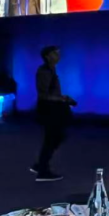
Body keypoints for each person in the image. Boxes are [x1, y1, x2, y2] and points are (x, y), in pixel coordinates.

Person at [33, 45, 76, 182]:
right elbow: (44, 95)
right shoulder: (44, 71)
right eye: (55, 53)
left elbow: (50, 93)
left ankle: (41, 165)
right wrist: (63, 99)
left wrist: (63, 98)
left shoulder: (50, 69)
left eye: (58, 53)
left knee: (54, 137)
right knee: (52, 138)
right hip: (49, 109)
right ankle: (43, 171)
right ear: (47, 56)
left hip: (53, 108)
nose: (58, 56)